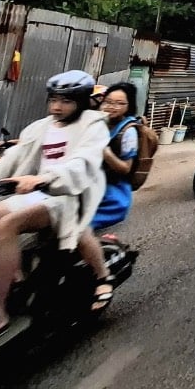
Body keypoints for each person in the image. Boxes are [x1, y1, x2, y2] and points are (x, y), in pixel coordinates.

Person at [0, 70, 109, 362]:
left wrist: (45, 178)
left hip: (66, 198)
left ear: (80, 101)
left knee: (6, 224)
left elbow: (82, 164)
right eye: (53, 99)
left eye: (66, 101)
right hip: (32, 195)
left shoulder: (94, 126)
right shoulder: (40, 127)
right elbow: (4, 165)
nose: (57, 107)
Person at [76, 82, 142, 313]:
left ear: (128, 106)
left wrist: (104, 150)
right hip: (86, 186)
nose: (112, 107)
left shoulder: (128, 131)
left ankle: (102, 278)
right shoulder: (96, 122)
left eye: (119, 103)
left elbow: (125, 168)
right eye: (109, 102)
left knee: (74, 228)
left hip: (111, 194)